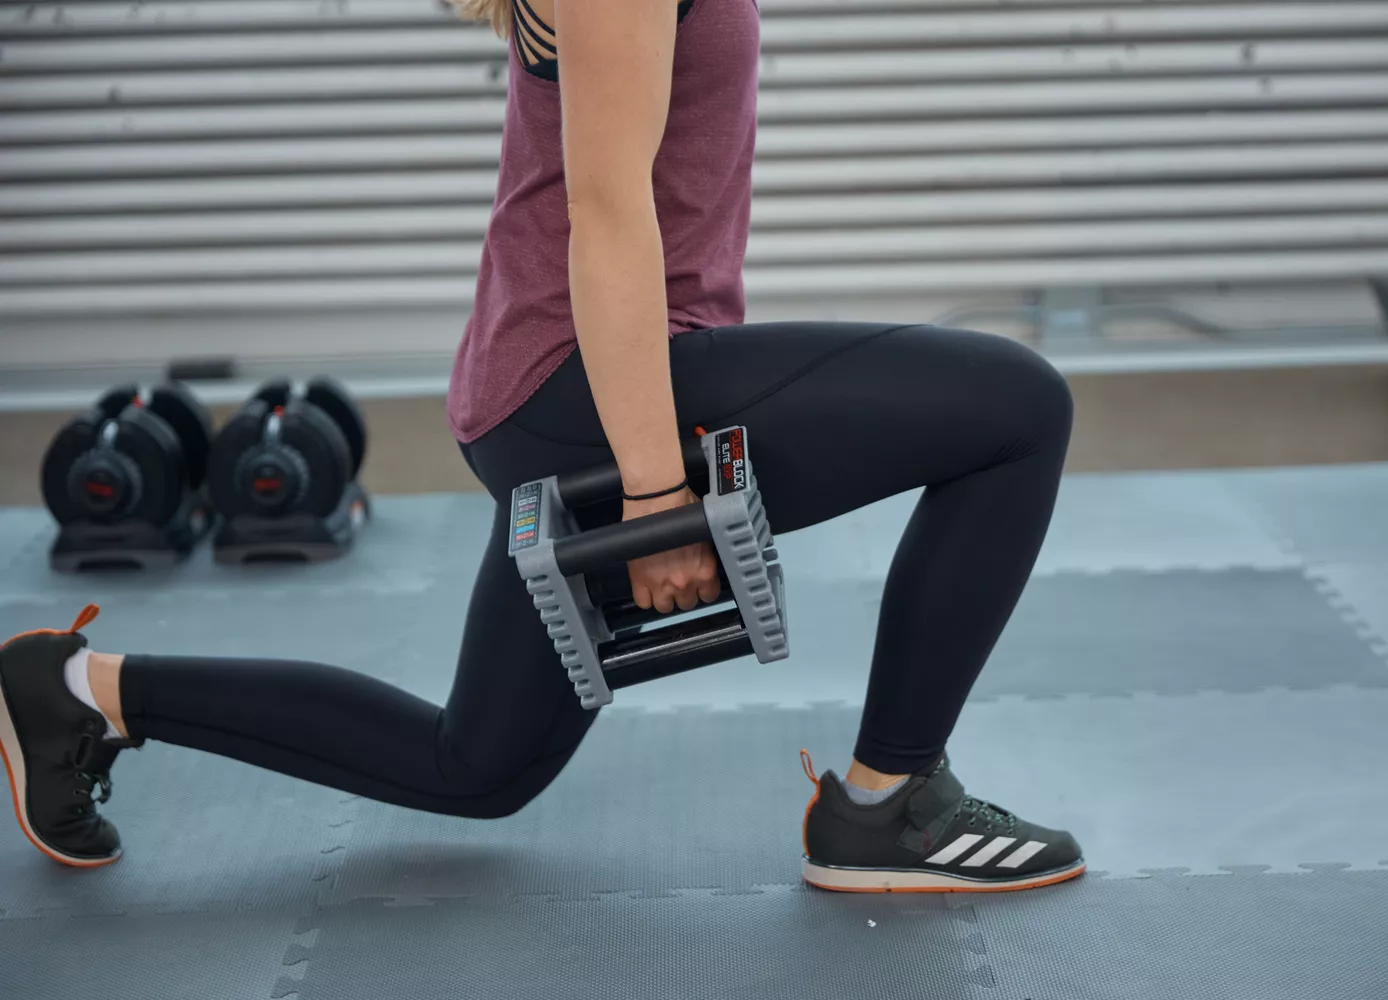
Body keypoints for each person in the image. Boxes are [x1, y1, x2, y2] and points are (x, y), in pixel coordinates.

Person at [0, 0, 1083, 893]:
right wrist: (656, 498)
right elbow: (608, 218)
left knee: (476, 765)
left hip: (563, 386)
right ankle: (887, 802)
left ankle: (80, 692)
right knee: (1018, 409)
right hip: (589, 382)